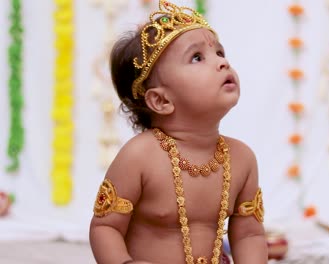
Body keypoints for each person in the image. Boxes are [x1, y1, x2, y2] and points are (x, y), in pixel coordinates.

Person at [88, 1, 268, 263]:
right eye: (197, 57)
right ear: (161, 101)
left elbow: (250, 235)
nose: (222, 63)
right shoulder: (140, 156)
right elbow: (106, 227)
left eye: (220, 52)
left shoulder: (242, 158)